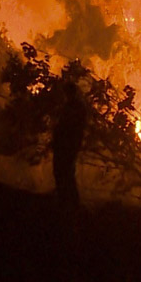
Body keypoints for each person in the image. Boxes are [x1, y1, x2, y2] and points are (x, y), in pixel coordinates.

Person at [50, 81, 88, 209]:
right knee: (65, 172)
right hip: (67, 145)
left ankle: (68, 201)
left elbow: (68, 127)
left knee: (64, 172)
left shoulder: (73, 107)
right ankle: (68, 200)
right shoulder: (73, 106)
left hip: (67, 145)